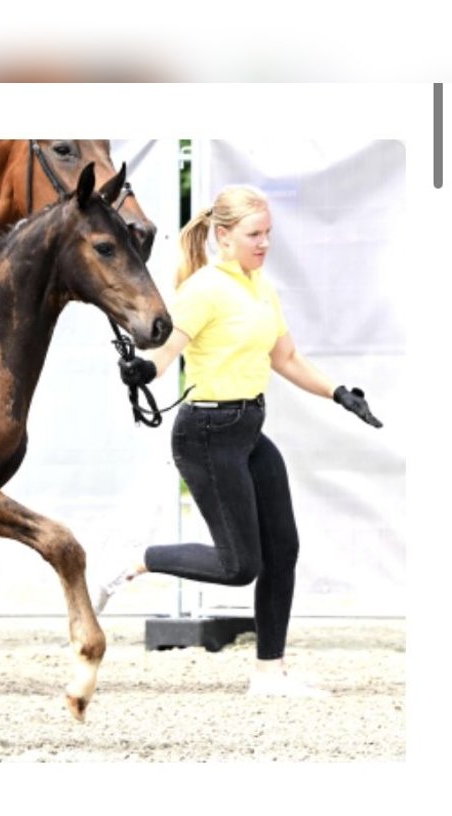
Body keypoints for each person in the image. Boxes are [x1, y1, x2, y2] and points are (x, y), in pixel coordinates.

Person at [96, 184, 383, 697]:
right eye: (255, 234)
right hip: (206, 433)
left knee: (283, 550)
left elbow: (287, 359)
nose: (265, 243)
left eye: (268, 233)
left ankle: (269, 674)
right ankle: (133, 559)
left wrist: (338, 392)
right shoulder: (204, 290)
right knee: (239, 565)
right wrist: (141, 369)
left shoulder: (259, 287)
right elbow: (165, 355)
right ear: (223, 236)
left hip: (249, 429)